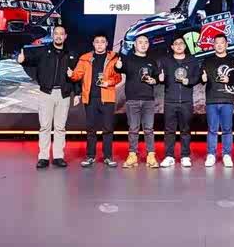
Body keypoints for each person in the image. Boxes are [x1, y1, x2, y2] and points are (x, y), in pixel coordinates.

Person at [17, 25, 80, 169]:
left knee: (60, 127)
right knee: (45, 127)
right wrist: (22, 60)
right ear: (52, 35)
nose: (58, 36)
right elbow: (29, 59)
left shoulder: (71, 54)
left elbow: (76, 76)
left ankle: (58, 157)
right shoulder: (43, 51)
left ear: (65, 36)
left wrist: (77, 93)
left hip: (63, 95)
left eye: (61, 34)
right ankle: (43, 157)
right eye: (56, 33)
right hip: (46, 94)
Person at [68, 32, 122, 168]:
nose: (99, 44)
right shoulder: (85, 58)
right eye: (97, 42)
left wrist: (108, 82)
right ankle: (90, 156)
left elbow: (118, 78)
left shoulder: (114, 58)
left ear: (107, 43)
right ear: (93, 44)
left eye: (102, 42)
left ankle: (108, 157)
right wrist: (71, 74)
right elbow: (77, 75)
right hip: (90, 99)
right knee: (91, 129)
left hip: (107, 98)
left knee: (108, 129)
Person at [114, 34, 160, 169]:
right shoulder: (128, 59)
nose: (143, 44)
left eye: (146, 42)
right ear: (135, 44)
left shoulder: (152, 61)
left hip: (148, 100)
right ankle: (132, 155)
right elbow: (119, 68)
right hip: (132, 100)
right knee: (133, 129)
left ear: (148, 45)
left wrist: (155, 80)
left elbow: (157, 78)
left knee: (149, 129)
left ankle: (151, 155)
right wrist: (118, 66)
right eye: (140, 42)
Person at [157, 35, 201, 168]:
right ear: (172, 47)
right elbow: (161, 78)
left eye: (181, 43)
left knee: (185, 130)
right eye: (176, 43)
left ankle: (185, 156)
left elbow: (197, 77)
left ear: (185, 45)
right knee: (169, 130)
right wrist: (160, 79)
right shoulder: (166, 61)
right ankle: (169, 156)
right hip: (170, 101)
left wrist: (190, 81)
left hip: (186, 101)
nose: (179, 45)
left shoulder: (192, 60)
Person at [200, 34, 234, 168]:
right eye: (217, 43)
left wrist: (230, 79)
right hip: (212, 99)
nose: (219, 45)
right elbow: (201, 77)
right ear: (213, 45)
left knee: (227, 129)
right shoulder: (207, 61)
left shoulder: (233, 60)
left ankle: (227, 155)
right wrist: (202, 79)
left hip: (227, 100)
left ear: (226, 44)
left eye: (222, 42)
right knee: (212, 129)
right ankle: (211, 154)